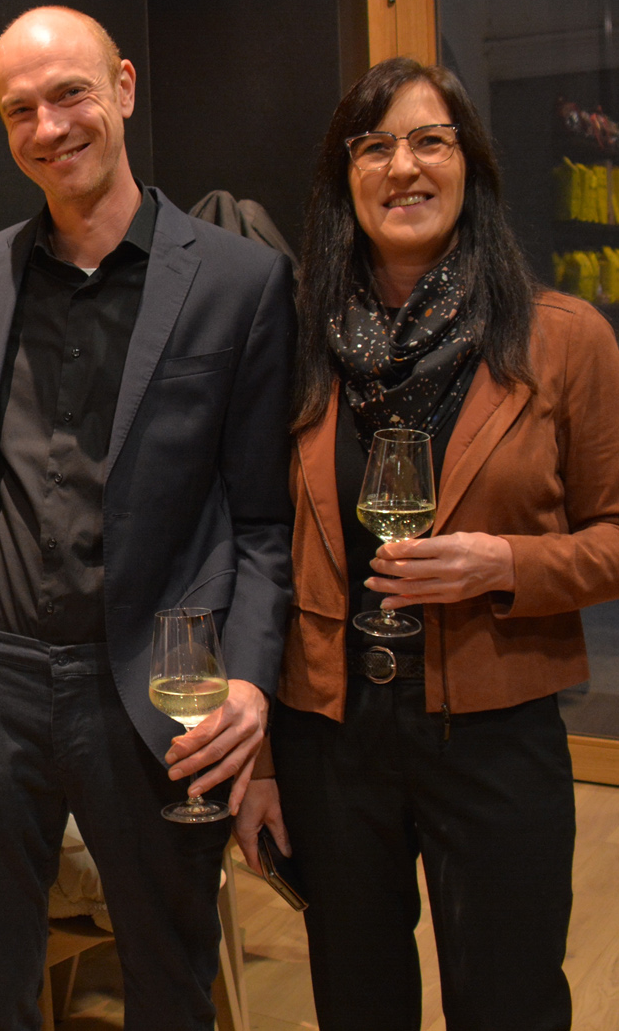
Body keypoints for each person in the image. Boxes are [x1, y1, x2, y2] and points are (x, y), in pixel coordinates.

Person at [235, 57, 619, 1031]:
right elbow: (258, 545)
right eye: (373, 146)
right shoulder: (295, 345)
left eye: (428, 141)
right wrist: (265, 761)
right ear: (344, 179)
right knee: (356, 1000)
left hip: (497, 726)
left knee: (510, 999)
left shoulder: (564, 339)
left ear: (469, 164)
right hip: (329, 733)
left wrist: (507, 564)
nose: (402, 166)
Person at [0, 6, 295, 1030]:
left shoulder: (240, 282)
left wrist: (250, 683)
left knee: (170, 982)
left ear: (124, 88)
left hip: (155, 690)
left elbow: (265, 523)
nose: (48, 127)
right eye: (20, 110)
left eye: (70, 95)